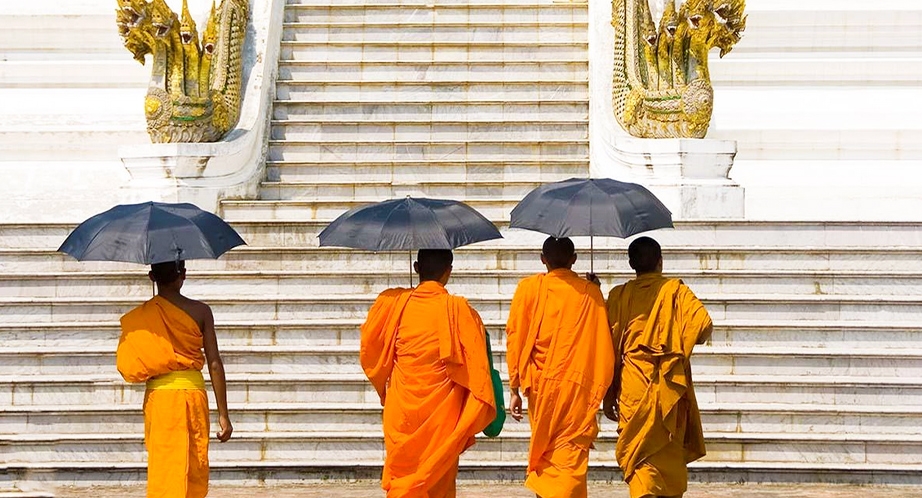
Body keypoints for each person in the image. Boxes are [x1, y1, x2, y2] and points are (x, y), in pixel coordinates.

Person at [360, 249, 496, 498]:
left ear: (416, 268)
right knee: (438, 481)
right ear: (449, 271)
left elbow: (369, 350)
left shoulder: (391, 304)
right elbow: (478, 370)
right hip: (442, 417)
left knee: (404, 483)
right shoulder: (460, 311)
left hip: (402, 414)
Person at [505, 237, 615, 498]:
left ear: (542, 259)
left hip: (542, 388)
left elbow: (515, 337)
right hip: (576, 391)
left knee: (545, 453)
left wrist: (514, 387)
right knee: (569, 453)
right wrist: (595, 293)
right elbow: (601, 342)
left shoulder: (528, 289)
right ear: (574, 258)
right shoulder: (589, 292)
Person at [604, 236, 713, 498]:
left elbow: (608, 343)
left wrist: (608, 394)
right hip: (666, 385)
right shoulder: (675, 291)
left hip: (632, 384)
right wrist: (674, 353)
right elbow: (703, 324)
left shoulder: (619, 295)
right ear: (660, 262)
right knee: (665, 451)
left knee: (641, 459)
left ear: (631, 263)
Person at [117, 260, 233, 498]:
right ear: (184, 274)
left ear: (152, 277)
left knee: (164, 463)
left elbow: (127, 367)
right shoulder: (201, 311)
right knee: (193, 463)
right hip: (192, 396)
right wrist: (224, 415)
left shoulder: (140, 319)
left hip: (160, 400)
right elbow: (214, 363)